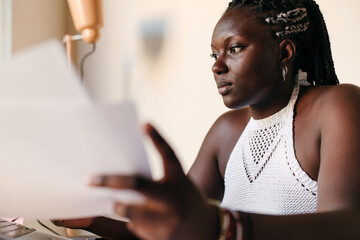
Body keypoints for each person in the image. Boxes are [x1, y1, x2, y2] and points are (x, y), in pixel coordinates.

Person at [53, 0, 360, 239]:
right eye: (214, 55)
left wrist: (222, 227)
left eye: (234, 48)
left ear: (284, 53)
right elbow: (173, 225)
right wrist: (91, 218)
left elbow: (346, 226)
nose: (217, 66)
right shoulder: (227, 130)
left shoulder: (336, 105)